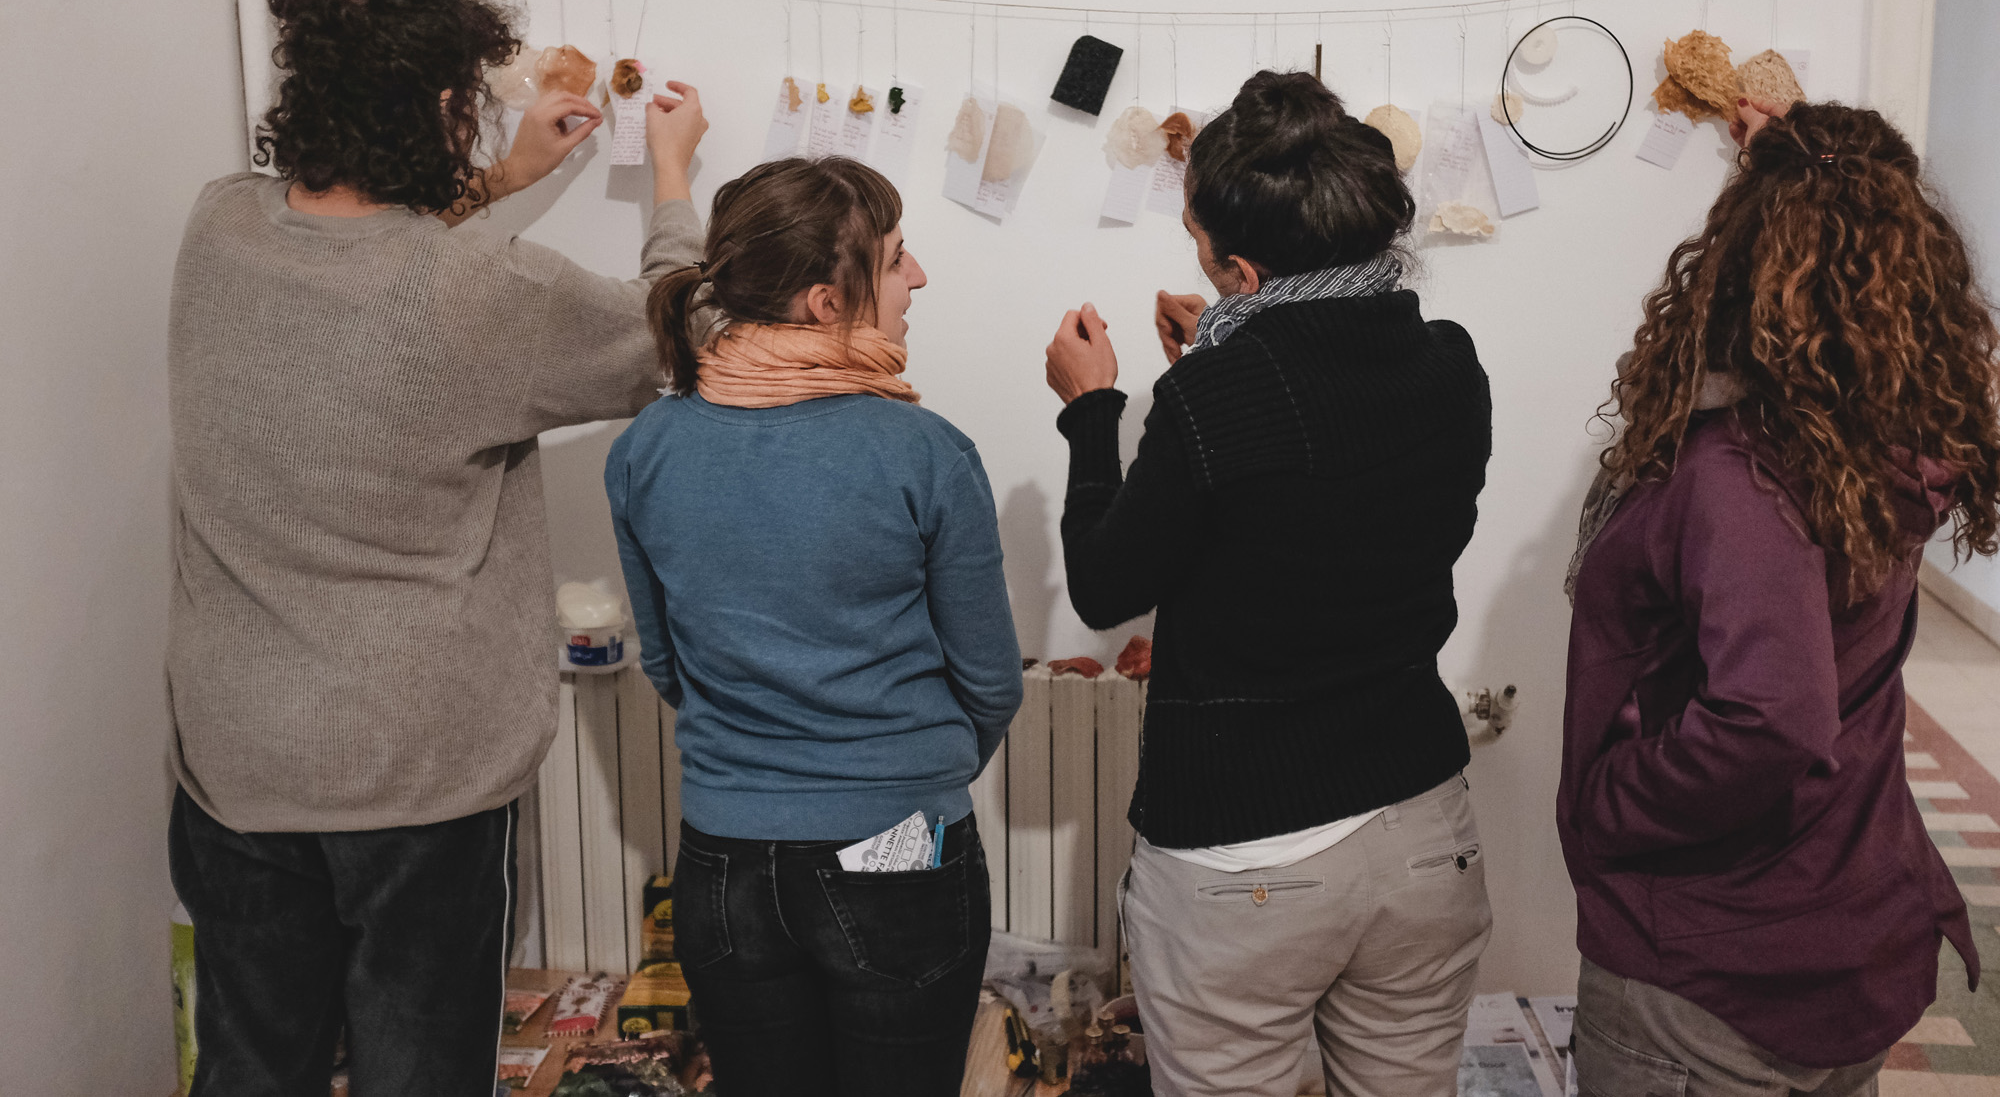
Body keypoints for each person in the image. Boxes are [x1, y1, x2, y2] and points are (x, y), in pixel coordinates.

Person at [166, 0, 708, 1096]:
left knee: (251, 1069)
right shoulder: (484, 298)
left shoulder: (218, 228)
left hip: (236, 757)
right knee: (419, 1071)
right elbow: (683, 331)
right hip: (413, 778)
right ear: (445, 108)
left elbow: (366, 261)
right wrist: (670, 180)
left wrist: (505, 176)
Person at [1043, 70, 1495, 1097]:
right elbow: (1351, 500)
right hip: (1422, 829)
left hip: (1244, 854)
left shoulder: (1212, 397)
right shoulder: (1446, 363)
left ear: (1238, 267)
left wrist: (1091, 412)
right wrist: (1214, 354)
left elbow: (1104, 584)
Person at [1560, 97, 1997, 1097]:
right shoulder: (1879, 450)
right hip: (1837, 922)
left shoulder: (1741, 478)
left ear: (1741, 254)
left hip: (1715, 973)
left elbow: (1769, 717)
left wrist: (1607, 802)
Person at [606, 156, 1023, 1096]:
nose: (917, 278)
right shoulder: (926, 451)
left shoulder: (647, 449)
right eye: (896, 259)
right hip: (901, 852)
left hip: (721, 864)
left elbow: (668, 665)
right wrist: (907, 776)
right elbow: (992, 684)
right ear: (826, 302)